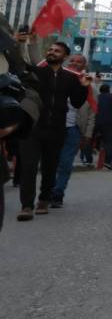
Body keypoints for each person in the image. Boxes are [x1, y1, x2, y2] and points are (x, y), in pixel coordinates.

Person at [16, 40, 88, 220]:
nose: (52, 52)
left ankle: (44, 199)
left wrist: (84, 87)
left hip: (56, 129)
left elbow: (78, 102)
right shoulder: (36, 73)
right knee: (29, 167)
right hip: (32, 127)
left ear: (65, 56)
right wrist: (21, 43)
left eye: (57, 51)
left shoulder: (70, 78)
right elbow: (21, 63)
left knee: (50, 167)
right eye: (50, 49)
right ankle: (26, 205)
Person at [50, 54, 95, 207]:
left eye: (79, 61)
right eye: (73, 60)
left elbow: (92, 112)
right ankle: (47, 191)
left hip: (73, 129)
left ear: (84, 65)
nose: (75, 63)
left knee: (65, 164)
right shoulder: (56, 77)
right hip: (52, 127)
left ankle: (57, 194)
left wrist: (87, 135)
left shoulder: (88, 84)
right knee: (50, 162)